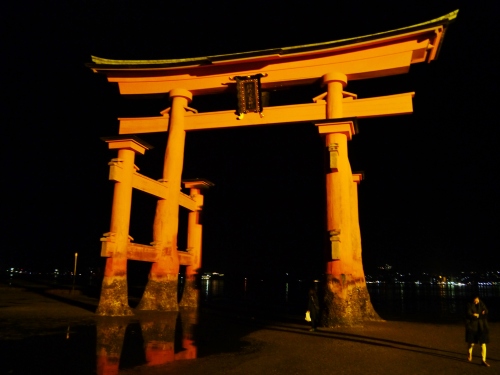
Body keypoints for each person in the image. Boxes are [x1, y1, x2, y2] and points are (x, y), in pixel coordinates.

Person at [465, 296, 490, 366]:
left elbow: (486, 312)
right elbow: (469, 314)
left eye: (477, 299)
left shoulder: (481, 304)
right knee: (471, 343)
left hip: (482, 327)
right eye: (475, 299)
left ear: (479, 299)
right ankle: (469, 353)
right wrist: (479, 315)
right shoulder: (469, 305)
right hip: (473, 327)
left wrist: (480, 314)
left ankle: (483, 360)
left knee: (483, 343)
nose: (476, 300)